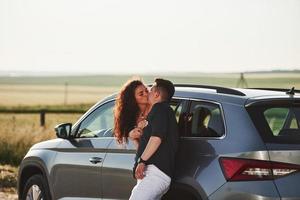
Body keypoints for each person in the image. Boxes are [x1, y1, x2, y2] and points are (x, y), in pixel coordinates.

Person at [129, 78, 179, 200]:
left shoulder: (160, 109)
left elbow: (157, 138)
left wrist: (142, 161)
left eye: (150, 91)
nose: (148, 93)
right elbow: (149, 143)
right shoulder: (164, 111)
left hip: (155, 174)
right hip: (153, 174)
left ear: (156, 94)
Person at [113, 79, 150, 147]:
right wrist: (132, 135)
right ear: (132, 98)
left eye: (146, 90)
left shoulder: (156, 111)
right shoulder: (127, 119)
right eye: (141, 94)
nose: (146, 94)